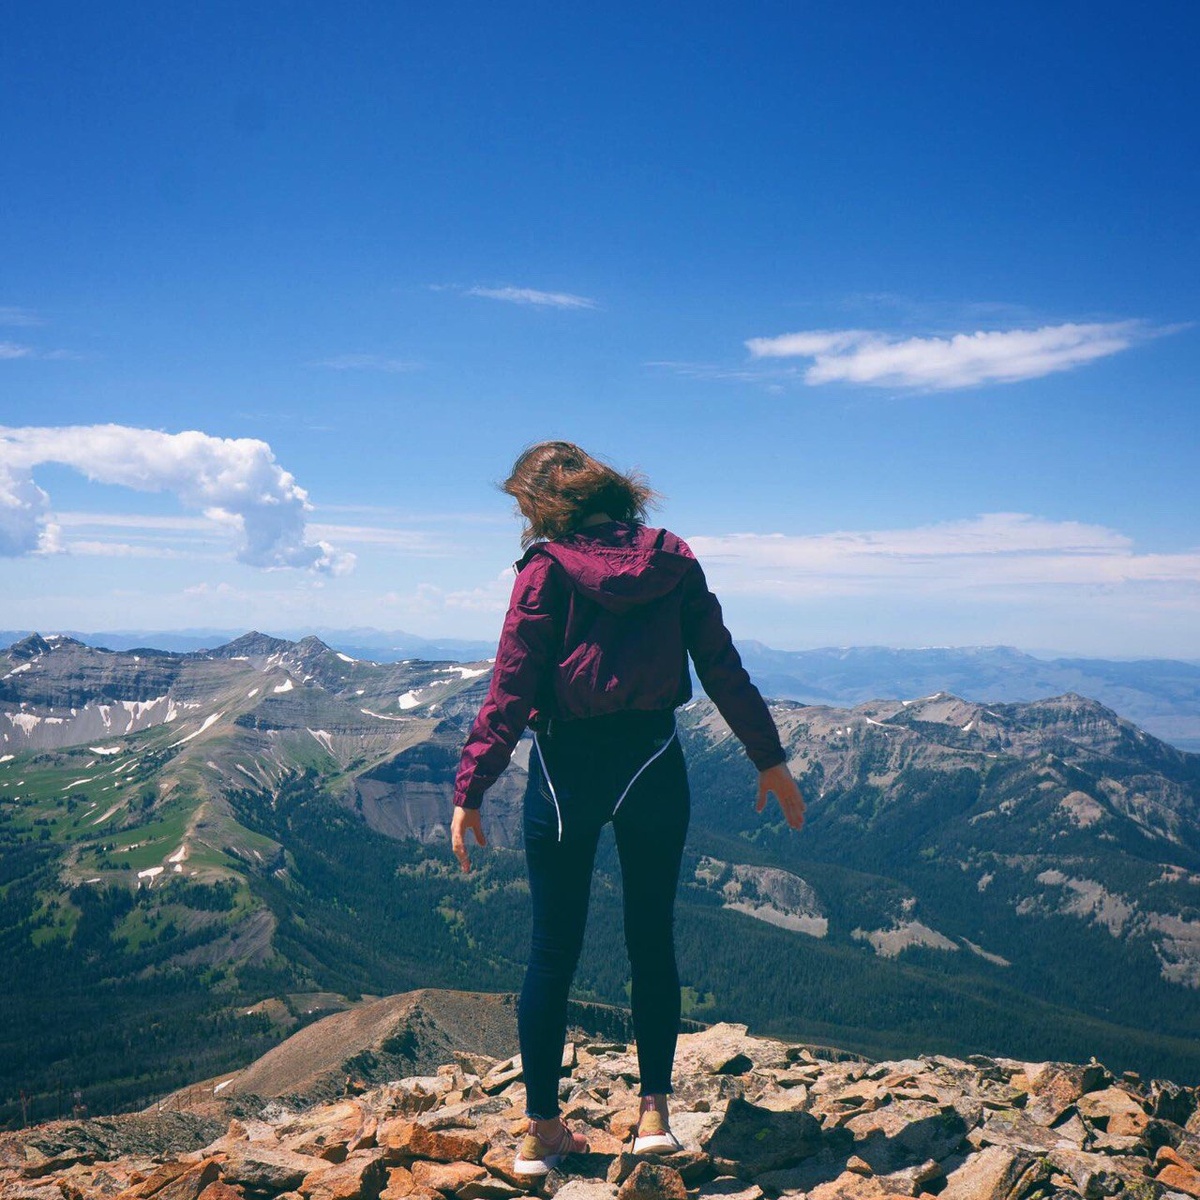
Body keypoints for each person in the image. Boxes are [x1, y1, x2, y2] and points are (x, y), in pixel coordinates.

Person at [450, 440, 805, 1177]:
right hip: (652, 760)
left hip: (563, 770)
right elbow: (719, 664)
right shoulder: (673, 559)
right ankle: (654, 1117)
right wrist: (767, 757)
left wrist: (471, 788)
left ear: (543, 502)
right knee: (652, 939)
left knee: (553, 951)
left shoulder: (545, 572)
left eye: (523, 504)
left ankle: (543, 1131)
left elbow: (511, 685)